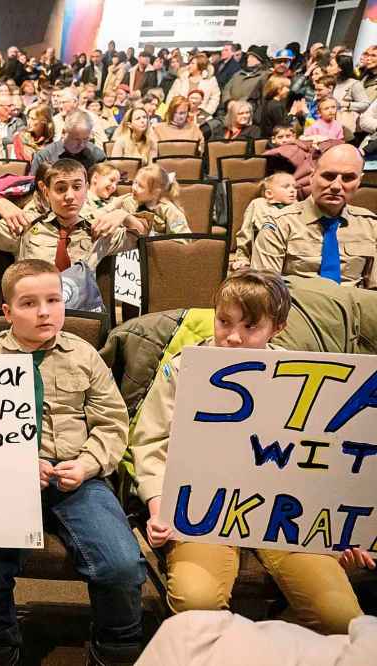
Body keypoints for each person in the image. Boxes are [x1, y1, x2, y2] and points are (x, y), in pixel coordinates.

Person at [132, 270, 367, 635]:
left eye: (250, 327)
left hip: (287, 515)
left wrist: (341, 528)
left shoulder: (308, 377)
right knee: (197, 604)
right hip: (204, 510)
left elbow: (330, 457)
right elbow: (150, 443)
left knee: (340, 617)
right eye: (224, 322)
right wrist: (158, 502)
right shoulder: (184, 367)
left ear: (278, 328)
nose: (233, 337)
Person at [0, 259, 146, 666]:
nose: (44, 311)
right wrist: (14, 464)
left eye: (53, 300)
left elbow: (113, 424)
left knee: (120, 564)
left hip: (78, 478)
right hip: (6, 480)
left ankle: (116, 649)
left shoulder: (84, 355)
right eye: (29, 303)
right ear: (7, 311)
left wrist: (86, 464)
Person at [0, 159, 140, 266]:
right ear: (46, 191)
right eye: (60, 189)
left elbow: (143, 238)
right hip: (34, 312)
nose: (69, 196)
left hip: (81, 316)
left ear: (86, 188)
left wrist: (125, 216)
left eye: (77, 187)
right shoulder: (24, 226)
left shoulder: (99, 230)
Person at [252, 143, 377, 288]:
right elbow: (265, 292)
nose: (336, 186)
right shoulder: (280, 224)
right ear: (312, 177)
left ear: (359, 182)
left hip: (354, 307)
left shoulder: (371, 226)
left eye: (348, 178)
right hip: (297, 307)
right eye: (328, 176)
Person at [101, 164, 191, 237]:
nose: (134, 188)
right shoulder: (128, 201)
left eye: (140, 186)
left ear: (155, 193)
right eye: (135, 182)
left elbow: (183, 240)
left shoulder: (170, 211)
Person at [231, 172, 298, 269]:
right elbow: (246, 233)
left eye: (294, 187)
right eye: (286, 187)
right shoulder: (258, 205)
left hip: (290, 262)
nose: (292, 190)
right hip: (263, 259)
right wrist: (242, 257)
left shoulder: (298, 206)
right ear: (269, 193)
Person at [29, 111, 106, 175]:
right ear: (63, 133)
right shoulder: (44, 156)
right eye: (76, 139)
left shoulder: (96, 155)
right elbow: (34, 188)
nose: (81, 144)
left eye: (85, 139)